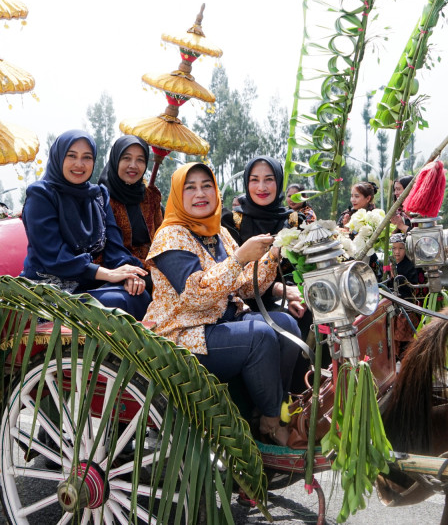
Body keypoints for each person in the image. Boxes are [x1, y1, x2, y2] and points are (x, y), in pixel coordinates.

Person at [145, 163, 301, 446]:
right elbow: (196, 294)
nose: (200, 193)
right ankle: (270, 422)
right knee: (259, 337)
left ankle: (263, 409)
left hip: (222, 323)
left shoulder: (219, 234)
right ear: (178, 195)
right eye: (190, 187)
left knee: (286, 326)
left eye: (206, 185)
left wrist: (273, 254)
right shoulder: (170, 236)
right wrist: (239, 258)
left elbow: (245, 287)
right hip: (185, 335)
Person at [21, 130, 150, 319]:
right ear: (59, 157)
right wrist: (108, 274)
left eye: (87, 157)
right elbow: (54, 257)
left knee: (138, 293)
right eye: (71, 156)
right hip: (48, 292)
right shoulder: (41, 195)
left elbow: (114, 247)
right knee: (120, 302)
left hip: (87, 286)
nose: (79, 164)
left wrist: (129, 273)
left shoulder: (98, 195)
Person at [222, 156, 304, 316]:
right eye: (254, 180)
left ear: (279, 182)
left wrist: (298, 296)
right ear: (246, 182)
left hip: (294, 302)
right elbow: (231, 277)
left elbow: (303, 269)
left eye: (268, 179)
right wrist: (280, 289)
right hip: (245, 309)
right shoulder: (232, 222)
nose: (261, 187)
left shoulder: (294, 222)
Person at [98, 135, 164, 261]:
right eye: (127, 158)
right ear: (115, 160)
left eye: (140, 160)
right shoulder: (101, 199)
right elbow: (101, 250)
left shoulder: (150, 197)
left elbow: (161, 239)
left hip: (155, 266)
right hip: (117, 267)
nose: (133, 165)